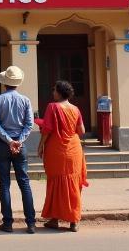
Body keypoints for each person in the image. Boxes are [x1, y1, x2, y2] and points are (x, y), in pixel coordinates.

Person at [0, 65, 36, 234]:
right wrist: (18, 141)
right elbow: (29, 124)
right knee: (24, 183)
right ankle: (31, 223)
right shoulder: (25, 100)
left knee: (4, 184)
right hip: (20, 145)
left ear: (4, 83)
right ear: (18, 83)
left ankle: (8, 222)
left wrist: (9, 141)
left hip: (3, 145)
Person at [37, 80, 88, 232]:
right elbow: (82, 131)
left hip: (56, 149)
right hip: (74, 149)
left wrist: (40, 146)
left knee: (55, 183)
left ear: (59, 92)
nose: (53, 93)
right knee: (73, 184)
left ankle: (54, 219)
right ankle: (74, 221)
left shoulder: (52, 107)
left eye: (54, 90)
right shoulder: (76, 109)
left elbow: (47, 130)